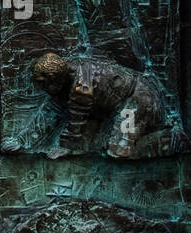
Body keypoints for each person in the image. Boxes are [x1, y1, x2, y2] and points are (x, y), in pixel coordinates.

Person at [31, 50, 163, 155]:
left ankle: (164, 141)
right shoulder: (71, 67)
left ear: (55, 79)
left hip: (135, 100)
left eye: (45, 84)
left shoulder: (81, 87)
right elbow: (56, 112)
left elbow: (77, 122)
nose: (43, 89)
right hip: (121, 101)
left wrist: (66, 147)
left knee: (119, 150)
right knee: (96, 144)